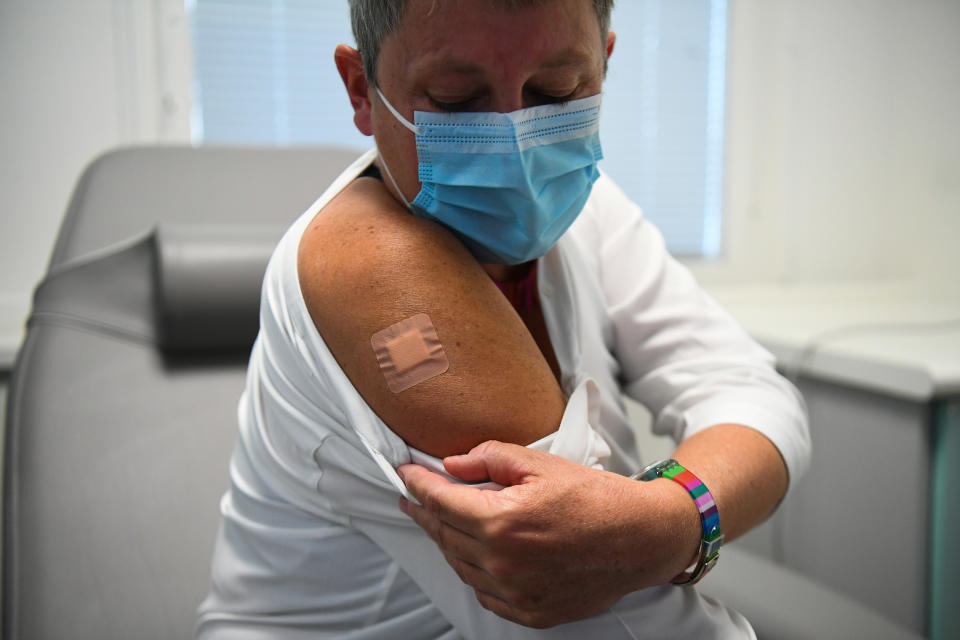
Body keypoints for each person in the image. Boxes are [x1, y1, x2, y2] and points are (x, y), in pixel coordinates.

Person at [196, 0, 811, 638]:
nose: (518, 142)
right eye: (457, 99)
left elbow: (750, 391)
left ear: (604, 65)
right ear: (361, 91)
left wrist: (674, 518)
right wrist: (665, 531)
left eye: (556, 91)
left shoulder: (589, 210)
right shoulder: (376, 278)